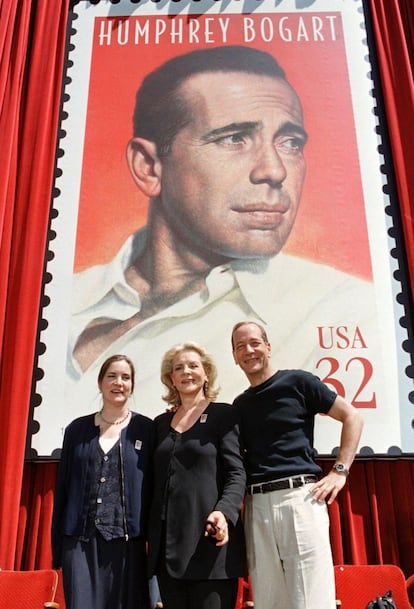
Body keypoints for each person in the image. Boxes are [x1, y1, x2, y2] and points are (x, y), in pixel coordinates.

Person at [66, 45, 381, 429]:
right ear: (149, 167)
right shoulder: (64, 301)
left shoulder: (346, 308)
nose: (275, 170)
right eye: (234, 139)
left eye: (290, 142)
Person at [231, 320, 364, 609]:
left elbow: (352, 416)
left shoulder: (298, 383)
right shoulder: (239, 405)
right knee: (268, 601)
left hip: (300, 499)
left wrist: (340, 471)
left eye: (254, 343)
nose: (249, 350)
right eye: (240, 346)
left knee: (312, 600)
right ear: (234, 356)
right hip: (256, 507)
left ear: (268, 346)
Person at [147, 342, 246, 609]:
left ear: (206, 373)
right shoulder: (158, 424)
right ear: (171, 379)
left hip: (210, 544)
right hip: (168, 552)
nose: (186, 372)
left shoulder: (223, 414)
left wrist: (224, 513)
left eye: (193, 366)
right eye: (178, 368)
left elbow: (237, 473)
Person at [51, 354, 154, 609]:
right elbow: (63, 488)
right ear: (99, 383)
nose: (118, 382)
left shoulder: (147, 430)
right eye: (111, 376)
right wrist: (57, 546)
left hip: (128, 545)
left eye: (125, 377)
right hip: (79, 543)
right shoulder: (77, 430)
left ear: (132, 385)